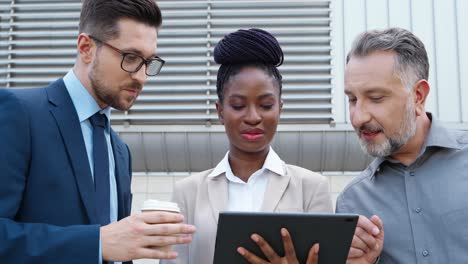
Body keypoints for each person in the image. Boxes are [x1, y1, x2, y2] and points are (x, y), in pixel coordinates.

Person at [0, 0, 196, 263]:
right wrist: (97, 242)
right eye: (131, 58)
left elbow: (116, 249)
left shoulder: (119, 151)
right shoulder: (20, 113)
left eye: (149, 62)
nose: (142, 77)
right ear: (86, 48)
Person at [160, 28, 333, 264]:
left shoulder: (311, 189)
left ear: (280, 109)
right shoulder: (188, 193)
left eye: (265, 105)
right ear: (220, 112)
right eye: (239, 105)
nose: (253, 117)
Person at [336, 27, 468, 263]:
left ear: (418, 96)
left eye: (376, 98)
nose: (357, 118)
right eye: (352, 99)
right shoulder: (352, 203)